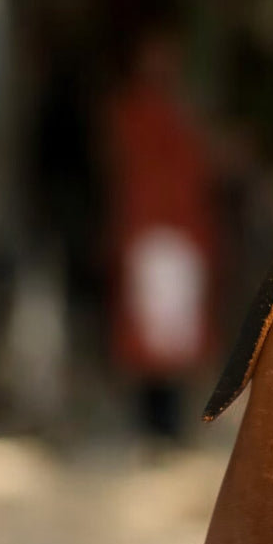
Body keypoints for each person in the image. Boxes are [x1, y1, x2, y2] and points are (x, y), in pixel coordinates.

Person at [105, 29, 218, 441]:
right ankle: (154, 421)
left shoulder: (179, 114)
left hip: (176, 230)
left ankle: (167, 421)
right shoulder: (134, 113)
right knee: (150, 326)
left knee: (173, 329)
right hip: (151, 229)